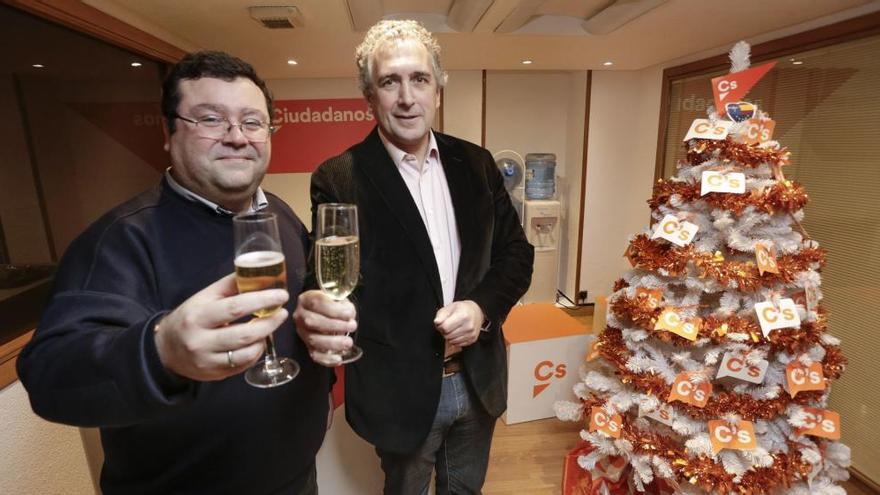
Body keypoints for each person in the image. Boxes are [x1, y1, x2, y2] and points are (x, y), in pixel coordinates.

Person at [16, 51, 338, 495]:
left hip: (297, 482)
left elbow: (291, 321)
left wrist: (316, 330)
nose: (236, 137)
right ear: (168, 132)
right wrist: (160, 350)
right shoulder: (120, 240)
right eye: (210, 119)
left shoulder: (280, 216)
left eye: (252, 122)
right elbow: (52, 379)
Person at [294, 20, 534, 495]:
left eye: (419, 79)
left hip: (478, 380)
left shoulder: (478, 163)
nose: (407, 97)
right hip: (400, 393)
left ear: (438, 90)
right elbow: (334, 286)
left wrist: (481, 308)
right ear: (369, 96)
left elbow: (516, 254)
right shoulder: (338, 178)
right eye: (390, 82)